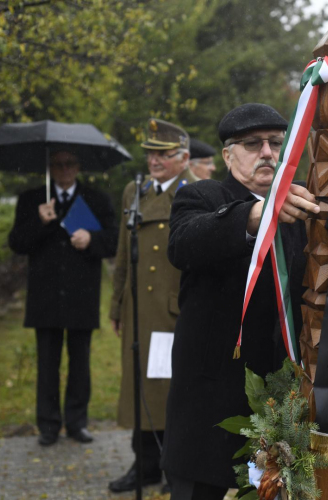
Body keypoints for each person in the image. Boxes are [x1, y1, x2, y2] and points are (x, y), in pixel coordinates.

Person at [160, 103, 328, 499]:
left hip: (284, 394)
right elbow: (184, 243)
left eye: (276, 143)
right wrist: (254, 215)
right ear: (227, 155)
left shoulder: (305, 203)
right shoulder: (201, 195)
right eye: (252, 144)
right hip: (211, 396)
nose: (266, 152)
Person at [108, 119, 198, 493]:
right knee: (138, 387)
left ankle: (173, 466)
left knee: (168, 391)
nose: (154, 161)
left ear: (184, 157)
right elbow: (121, 254)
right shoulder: (136, 191)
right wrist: (116, 305)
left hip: (171, 311)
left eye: (163, 154)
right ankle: (143, 465)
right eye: (150, 153)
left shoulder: (194, 192)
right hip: (138, 309)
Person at [8, 149, 118, 446]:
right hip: (45, 296)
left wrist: (91, 239)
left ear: (78, 166)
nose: (64, 169)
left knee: (80, 363)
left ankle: (77, 422)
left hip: (82, 295)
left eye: (70, 164)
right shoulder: (32, 200)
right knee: (47, 363)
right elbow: (17, 242)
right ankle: (47, 424)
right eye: (58, 164)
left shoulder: (96, 199)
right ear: (50, 168)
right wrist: (40, 222)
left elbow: (114, 240)